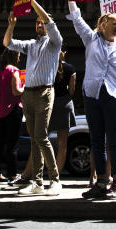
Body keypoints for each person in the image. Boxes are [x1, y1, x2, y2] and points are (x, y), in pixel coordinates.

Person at [68, 3, 116, 200]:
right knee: (96, 140)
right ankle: (101, 182)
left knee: (114, 141)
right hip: (92, 94)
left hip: (114, 96)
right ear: (103, 25)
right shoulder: (91, 40)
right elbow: (78, 21)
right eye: (113, 23)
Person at [4, 0, 64, 196]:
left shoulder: (55, 42)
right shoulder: (31, 45)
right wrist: (11, 25)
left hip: (45, 92)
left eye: (42, 22)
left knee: (41, 136)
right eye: (37, 23)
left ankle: (54, 179)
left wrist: (32, 2)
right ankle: (37, 182)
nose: (40, 24)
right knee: (33, 139)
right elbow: (8, 43)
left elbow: (48, 19)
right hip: (28, 94)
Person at [0, 48, 23, 184]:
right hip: (13, 110)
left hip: (0, 111)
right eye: (19, 56)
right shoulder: (14, 71)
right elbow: (16, 91)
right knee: (12, 144)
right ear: (15, 56)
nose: (20, 58)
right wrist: (25, 87)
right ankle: (13, 174)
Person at [50, 46, 76, 177]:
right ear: (64, 53)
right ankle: (57, 174)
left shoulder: (49, 66)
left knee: (41, 140)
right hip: (65, 103)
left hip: (50, 103)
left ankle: (39, 170)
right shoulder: (70, 69)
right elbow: (72, 90)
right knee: (62, 143)